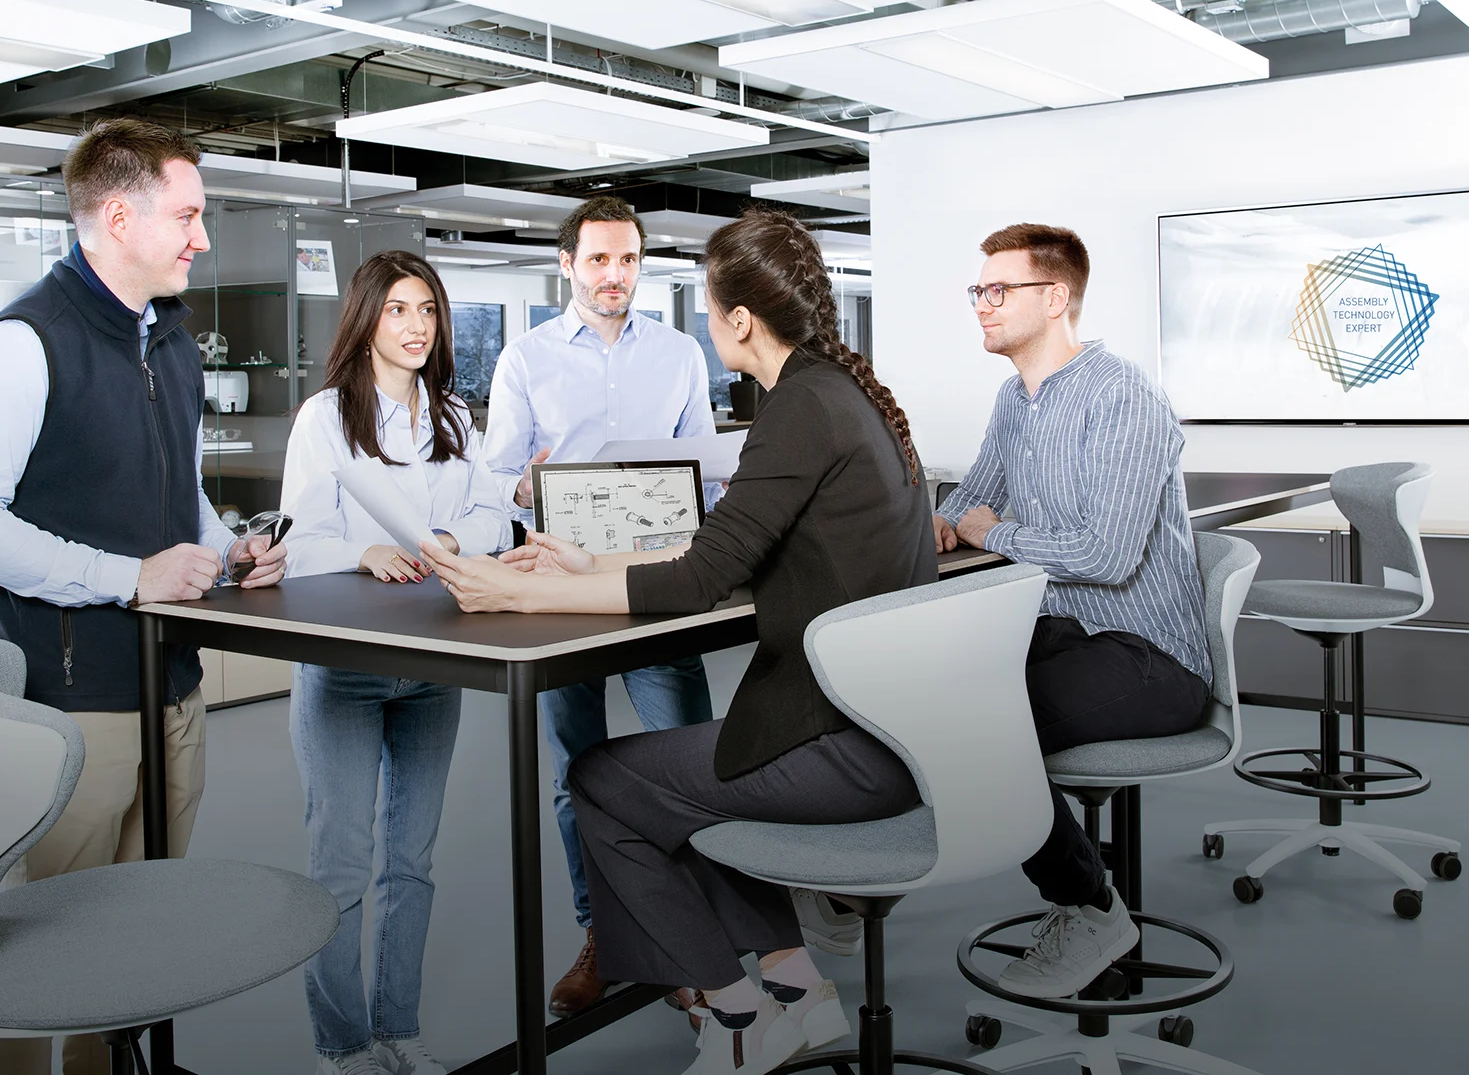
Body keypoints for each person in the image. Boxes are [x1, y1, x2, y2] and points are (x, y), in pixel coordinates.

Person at [425, 209, 934, 1075]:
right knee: (682, 778)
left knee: (604, 779)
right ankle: (792, 988)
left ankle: (735, 1012)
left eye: (708, 302)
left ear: (738, 319)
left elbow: (699, 576)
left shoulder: (795, 412)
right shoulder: (829, 394)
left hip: (845, 744)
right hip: (891, 726)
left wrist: (517, 589)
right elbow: (720, 545)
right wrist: (589, 560)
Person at [0, 118, 287, 1075]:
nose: (201, 238)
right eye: (189, 214)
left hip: (170, 682)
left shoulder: (169, 338)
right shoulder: (21, 342)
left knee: (134, 944)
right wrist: (129, 577)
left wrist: (226, 546)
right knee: (45, 954)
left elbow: (176, 491)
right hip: (73, 702)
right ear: (119, 217)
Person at [932, 223, 1210, 1000]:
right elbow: (972, 492)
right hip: (1065, 632)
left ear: (1054, 298)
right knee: (928, 695)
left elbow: (1107, 554)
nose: (982, 305)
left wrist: (994, 529)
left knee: (984, 725)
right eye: (977, 291)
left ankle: (1090, 907)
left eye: (998, 290)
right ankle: (848, 892)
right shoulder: (1014, 398)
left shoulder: (1123, 398)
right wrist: (950, 517)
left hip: (1151, 655)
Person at [480, 194, 720, 1015]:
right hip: (559, 588)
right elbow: (496, 475)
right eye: (598, 260)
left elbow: (705, 468)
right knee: (573, 772)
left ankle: (692, 939)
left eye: (627, 260)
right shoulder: (525, 357)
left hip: (657, 584)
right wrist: (524, 479)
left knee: (688, 764)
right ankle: (603, 933)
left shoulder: (683, 352)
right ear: (567, 265)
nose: (614, 275)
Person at [279, 251, 510, 1075]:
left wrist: (449, 540)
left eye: (428, 311)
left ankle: (398, 1028)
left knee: (411, 864)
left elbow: (492, 518)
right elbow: (296, 544)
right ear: (366, 320)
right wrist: (364, 547)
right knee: (339, 866)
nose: (416, 327)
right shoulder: (324, 418)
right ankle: (342, 1047)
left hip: (432, 663)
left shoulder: (452, 416)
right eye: (398, 311)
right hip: (345, 666)